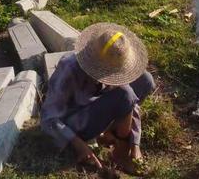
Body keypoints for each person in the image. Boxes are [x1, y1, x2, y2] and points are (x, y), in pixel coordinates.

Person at [40, 22, 155, 174]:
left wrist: (135, 143)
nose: (113, 78)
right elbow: (48, 118)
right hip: (75, 122)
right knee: (124, 94)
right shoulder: (69, 69)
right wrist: (79, 145)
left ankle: (114, 136)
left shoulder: (113, 61)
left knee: (145, 80)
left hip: (100, 105)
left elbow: (131, 102)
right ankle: (120, 152)